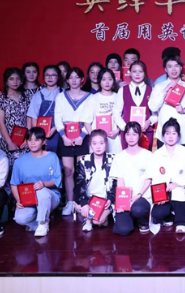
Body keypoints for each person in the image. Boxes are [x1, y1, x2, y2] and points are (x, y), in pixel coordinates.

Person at [10, 127, 63, 237]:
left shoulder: (52, 157)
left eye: (36, 139)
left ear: (43, 141)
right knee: (20, 218)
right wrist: (18, 200)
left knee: (41, 191)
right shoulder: (20, 161)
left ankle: (43, 223)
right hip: (29, 198)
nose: (32, 143)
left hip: (49, 196)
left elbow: (57, 180)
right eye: (29, 140)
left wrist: (44, 184)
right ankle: (38, 223)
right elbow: (14, 183)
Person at [54, 67, 92, 215]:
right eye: (71, 77)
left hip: (83, 136)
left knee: (82, 171)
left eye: (77, 77)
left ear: (82, 79)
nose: (74, 80)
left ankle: (81, 201)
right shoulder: (61, 96)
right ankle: (70, 202)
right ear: (67, 80)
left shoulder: (90, 97)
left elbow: (91, 118)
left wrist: (81, 136)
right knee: (68, 171)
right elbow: (57, 117)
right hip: (65, 137)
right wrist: (64, 137)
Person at [151, 119, 185, 234]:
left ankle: (181, 222)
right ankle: (169, 216)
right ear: (163, 136)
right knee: (157, 214)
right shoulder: (157, 154)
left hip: (181, 188)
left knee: (178, 192)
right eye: (167, 133)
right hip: (164, 190)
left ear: (178, 135)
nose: (170, 136)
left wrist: (177, 183)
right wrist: (160, 192)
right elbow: (155, 175)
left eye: (174, 133)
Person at [111, 122, 155, 235]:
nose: (131, 137)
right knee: (123, 230)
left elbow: (148, 179)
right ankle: (129, 219)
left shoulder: (148, 155)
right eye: (128, 134)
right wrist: (121, 202)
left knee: (137, 209)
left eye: (134, 134)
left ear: (140, 135)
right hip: (126, 197)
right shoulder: (119, 157)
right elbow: (120, 180)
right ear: (124, 136)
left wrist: (138, 195)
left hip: (142, 196)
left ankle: (142, 221)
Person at [149, 55, 185, 149]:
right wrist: (165, 90)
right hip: (163, 135)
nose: (173, 69)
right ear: (165, 69)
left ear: (181, 68)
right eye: (170, 66)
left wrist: (184, 111)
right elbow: (153, 107)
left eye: (176, 66)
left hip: (183, 134)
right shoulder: (159, 87)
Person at [74, 129, 116, 232]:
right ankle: (89, 219)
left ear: (106, 143)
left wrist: (110, 198)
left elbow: (117, 183)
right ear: (90, 144)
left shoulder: (113, 159)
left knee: (98, 221)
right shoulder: (84, 160)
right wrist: (84, 203)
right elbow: (79, 184)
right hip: (89, 198)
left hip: (106, 199)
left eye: (101, 143)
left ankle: (96, 217)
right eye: (94, 143)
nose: (98, 147)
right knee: (77, 206)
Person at [113, 60, 157, 150]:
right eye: (134, 71)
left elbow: (156, 114)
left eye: (140, 71)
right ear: (130, 73)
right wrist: (125, 128)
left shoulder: (151, 90)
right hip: (127, 134)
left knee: (145, 157)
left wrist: (148, 122)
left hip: (146, 132)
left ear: (145, 73)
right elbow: (116, 113)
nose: (137, 74)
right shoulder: (122, 90)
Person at [0, 67, 31, 169]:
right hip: (8, 138)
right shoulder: (2, 99)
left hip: (24, 138)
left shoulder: (26, 97)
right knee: (8, 169)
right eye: (11, 79)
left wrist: (27, 138)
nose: (15, 82)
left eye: (17, 79)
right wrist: (9, 142)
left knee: (24, 168)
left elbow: (29, 118)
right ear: (6, 81)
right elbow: (1, 123)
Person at [82, 68, 123, 155]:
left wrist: (117, 131)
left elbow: (124, 117)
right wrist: (94, 137)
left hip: (114, 139)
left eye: (110, 79)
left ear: (114, 81)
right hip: (97, 142)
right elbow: (86, 121)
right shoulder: (93, 98)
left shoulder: (119, 97)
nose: (107, 82)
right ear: (99, 81)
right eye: (104, 79)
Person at [26, 65, 63, 153]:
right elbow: (33, 117)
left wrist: (55, 128)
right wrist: (39, 135)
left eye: (53, 75)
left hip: (61, 133)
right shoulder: (38, 95)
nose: (50, 77)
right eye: (47, 75)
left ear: (58, 77)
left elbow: (67, 116)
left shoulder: (64, 93)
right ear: (43, 77)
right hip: (42, 135)